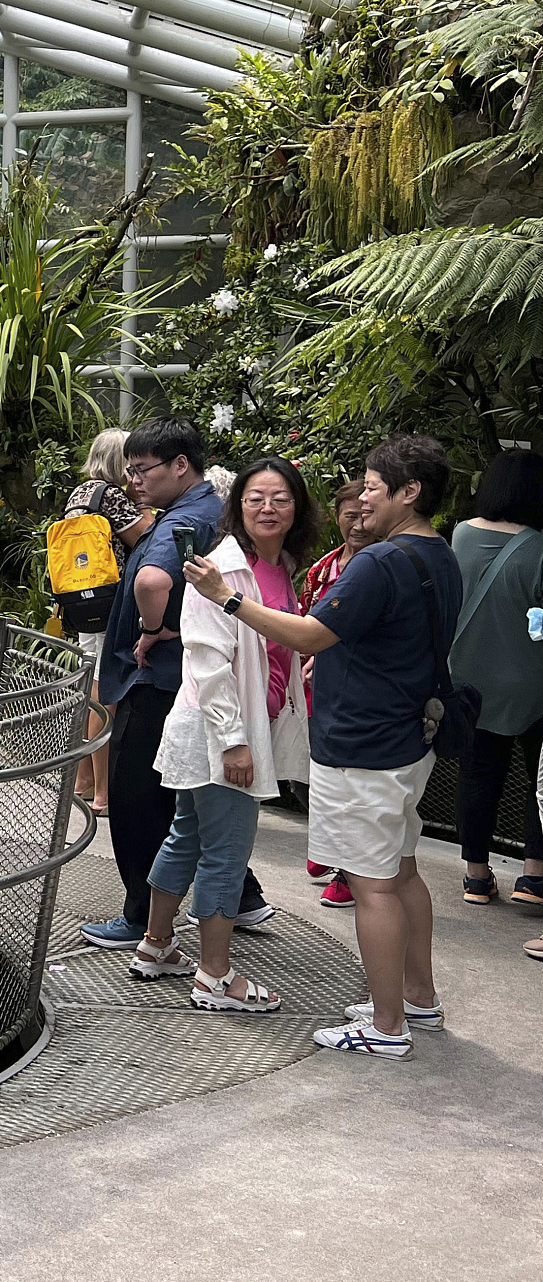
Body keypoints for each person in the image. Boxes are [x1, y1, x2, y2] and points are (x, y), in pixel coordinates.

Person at [184, 434, 459, 1059]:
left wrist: (229, 599)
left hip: (364, 742)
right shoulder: (439, 553)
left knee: (373, 885)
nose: (361, 498)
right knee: (403, 869)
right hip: (411, 735)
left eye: (371, 486)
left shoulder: (378, 562)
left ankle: (386, 1027)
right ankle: (418, 998)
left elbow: (309, 635)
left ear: (408, 493)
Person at [129, 457, 314, 1008]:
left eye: (280, 497)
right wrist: (235, 741)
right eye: (255, 497)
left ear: (298, 507)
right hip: (221, 732)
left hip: (229, 728)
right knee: (226, 853)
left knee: (187, 836)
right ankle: (214, 977)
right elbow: (208, 661)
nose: (267, 507)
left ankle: (156, 946)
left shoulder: (279, 566)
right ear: (238, 506)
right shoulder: (225, 567)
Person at [82, 416, 272, 950]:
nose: (132, 481)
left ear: (181, 466)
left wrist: (150, 630)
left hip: (159, 678)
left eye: (142, 470)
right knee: (187, 804)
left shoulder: (180, 520)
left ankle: (142, 919)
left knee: (138, 799)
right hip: (187, 678)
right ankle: (244, 897)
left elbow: (152, 579)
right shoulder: (207, 510)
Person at [448, 450, 543, 920]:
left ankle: (476, 875)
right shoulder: (540, 547)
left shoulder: (461, 534)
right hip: (532, 685)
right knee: (539, 780)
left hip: (469, 679)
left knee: (478, 775)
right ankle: (533, 872)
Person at [65, 429, 155, 816]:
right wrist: (148, 508)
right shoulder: (113, 496)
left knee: (92, 691)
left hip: (82, 602)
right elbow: (147, 538)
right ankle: (103, 794)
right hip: (111, 606)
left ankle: (82, 782)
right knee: (106, 696)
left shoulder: (80, 493)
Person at [299, 478, 371, 909]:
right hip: (316, 686)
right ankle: (325, 850)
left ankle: (348, 874)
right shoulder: (321, 570)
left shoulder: (382, 566)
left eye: (366, 515)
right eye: (350, 516)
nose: (359, 525)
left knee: (348, 785)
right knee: (320, 774)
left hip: (355, 691)